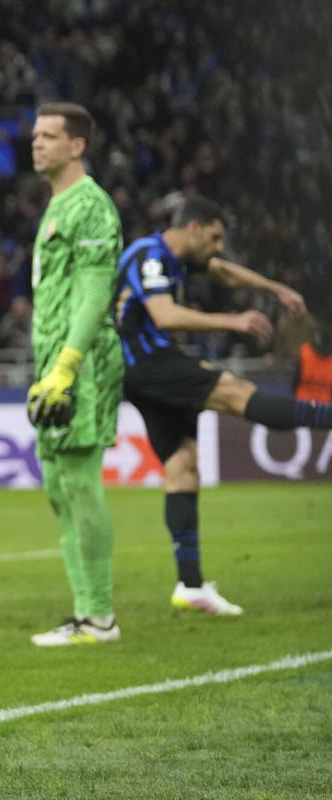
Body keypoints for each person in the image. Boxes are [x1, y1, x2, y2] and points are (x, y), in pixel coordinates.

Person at [114, 196, 330, 615]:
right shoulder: (150, 256)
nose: (218, 247)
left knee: (182, 466)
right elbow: (164, 315)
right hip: (150, 363)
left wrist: (274, 288)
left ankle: (190, 585)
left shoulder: (176, 259)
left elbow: (222, 271)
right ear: (193, 227)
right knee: (238, 393)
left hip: (141, 373)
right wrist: (233, 321)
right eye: (214, 237)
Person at [25, 102, 124, 647]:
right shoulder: (58, 203)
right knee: (59, 489)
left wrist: (68, 364)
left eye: (49, 135)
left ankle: (98, 617)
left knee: (81, 484)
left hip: (80, 364)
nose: (36, 143)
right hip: (53, 361)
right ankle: (85, 613)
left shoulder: (91, 206)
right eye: (35, 135)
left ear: (77, 145)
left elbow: (94, 290)